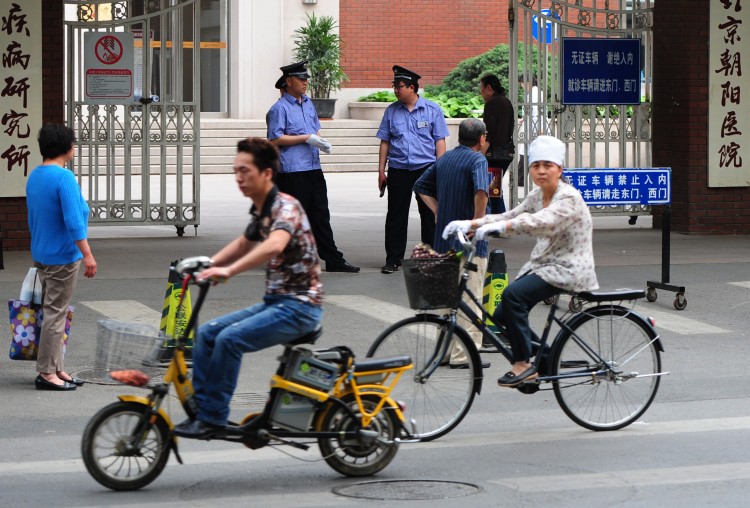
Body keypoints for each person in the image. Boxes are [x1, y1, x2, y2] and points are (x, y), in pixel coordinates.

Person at [173, 137, 324, 439]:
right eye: (236, 171)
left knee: (229, 340)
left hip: (300, 307)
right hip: (277, 302)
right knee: (207, 334)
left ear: (266, 173)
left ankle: (213, 417)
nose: (239, 178)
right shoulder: (262, 209)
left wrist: (229, 270)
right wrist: (207, 263)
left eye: (245, 171)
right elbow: (245, 242)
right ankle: (204, 411)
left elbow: (274, 244)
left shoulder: (286, 207)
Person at [443, 136, 598, 387]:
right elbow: (513, 215)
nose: (541, 171)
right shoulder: (538, 195)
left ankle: (524, 364)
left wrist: (497, 228)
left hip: (569, 268)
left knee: (513, 295)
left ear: (559, 169)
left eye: (548, 165)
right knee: (502, 314)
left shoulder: (567, 197)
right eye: (536, 166)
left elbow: (536, 222)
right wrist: (472, 223)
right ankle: (546, 357)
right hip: (546, 265)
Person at [266, 61, 359, 273]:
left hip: (313, 167)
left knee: (320, 215)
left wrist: (320, 142)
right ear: (288, 82)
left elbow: (315, 130)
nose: (305, 82)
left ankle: (333, 259)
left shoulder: (308, 103)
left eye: (306, 78)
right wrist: (305, 138)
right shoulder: (279, 109)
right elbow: (274, 139)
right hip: (291, 171)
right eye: (301, 79)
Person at [413, 118, 491, 368]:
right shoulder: (478, 159)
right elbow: (481, 191)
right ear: (481, 139)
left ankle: (445, 352)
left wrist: (437, 211)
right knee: (470, 298)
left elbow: (421, 186)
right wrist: (477, 222)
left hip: (443, 240)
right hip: (469, 244)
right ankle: (464, 355)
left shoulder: (444, 158)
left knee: (446, 299)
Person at [26, 123, 97, 391]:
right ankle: (46, 373)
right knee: (56, 314)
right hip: (62, 257)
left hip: (42, 254)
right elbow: (73, 220)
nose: (75, 148)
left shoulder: (35, 175)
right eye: (74, 143)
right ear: (67, 147)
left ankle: (57, 368)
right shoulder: (64, 177)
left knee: (52, 311)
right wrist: (87, 254)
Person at [377, 65, 450, 274]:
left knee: (429, 215)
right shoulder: (391, 111)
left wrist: (440, 169)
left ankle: (431, 257)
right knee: (395, 216)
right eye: (394, 86)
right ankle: (393, 259)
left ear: (412, 87)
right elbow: (385, 142)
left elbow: (440, 141)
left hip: (426, 170)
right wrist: (381, 171)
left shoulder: (432, 110)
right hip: (399, 169)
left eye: (399, 86)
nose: (395, 90)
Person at [480, 74, 515, 214]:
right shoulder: (506, 101)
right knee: (495, 188)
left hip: (494, 154)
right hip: (506, 152)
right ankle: (498, 221)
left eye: (481, 89)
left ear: (488, 87)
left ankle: (498, 223)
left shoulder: (492, 103)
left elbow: (489, 133)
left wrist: (480, 153)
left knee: (492, 189)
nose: (481, 93)